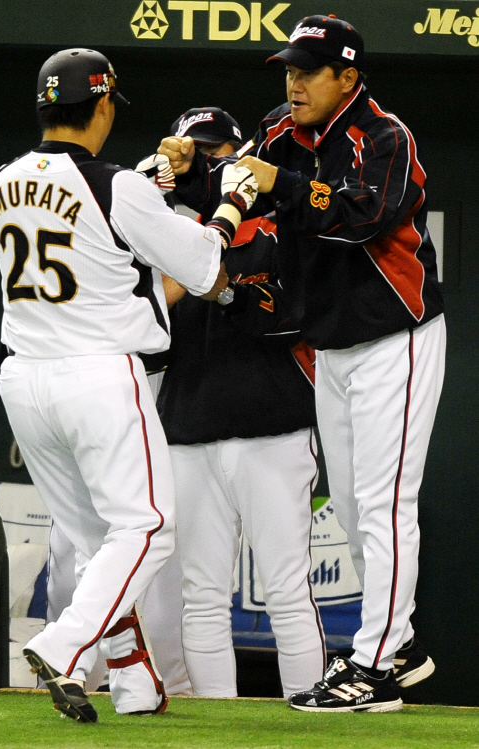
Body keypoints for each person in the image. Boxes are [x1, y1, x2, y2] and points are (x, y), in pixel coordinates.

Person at [158, 14, 445, 713]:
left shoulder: (384, 135)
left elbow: (361, 214)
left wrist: (276, 182)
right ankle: (398, 645)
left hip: (395, 337)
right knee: (350, 505)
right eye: (288, 69)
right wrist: (195, 176)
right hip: (334, 342)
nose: (294, 83)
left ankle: (376, 664)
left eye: (307, 70)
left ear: (347, 76)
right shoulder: (282, 133)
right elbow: (236, 190)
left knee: (382, 504)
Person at [0, 47, 257, 722]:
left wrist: (148, 183)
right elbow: (201, 266)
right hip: (98, 374)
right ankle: (65, 641)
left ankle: (135, 683)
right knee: (149, 527)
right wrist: (227, 205)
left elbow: (83, 223)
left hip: (24, 378)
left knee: (94, 539)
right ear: (103, 105)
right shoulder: (117, 186)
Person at [152, 107, 326, 699]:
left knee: (285, 588)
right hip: (189, 424)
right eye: (195, 153)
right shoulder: (160, 232)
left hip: (270, 422)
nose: (207, 163)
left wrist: (224, 290)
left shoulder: (283, 225)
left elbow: (290, 320)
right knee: (201, 594)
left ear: (242, 151)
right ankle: (216, 729)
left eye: (217, 150)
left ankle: (311, 723)